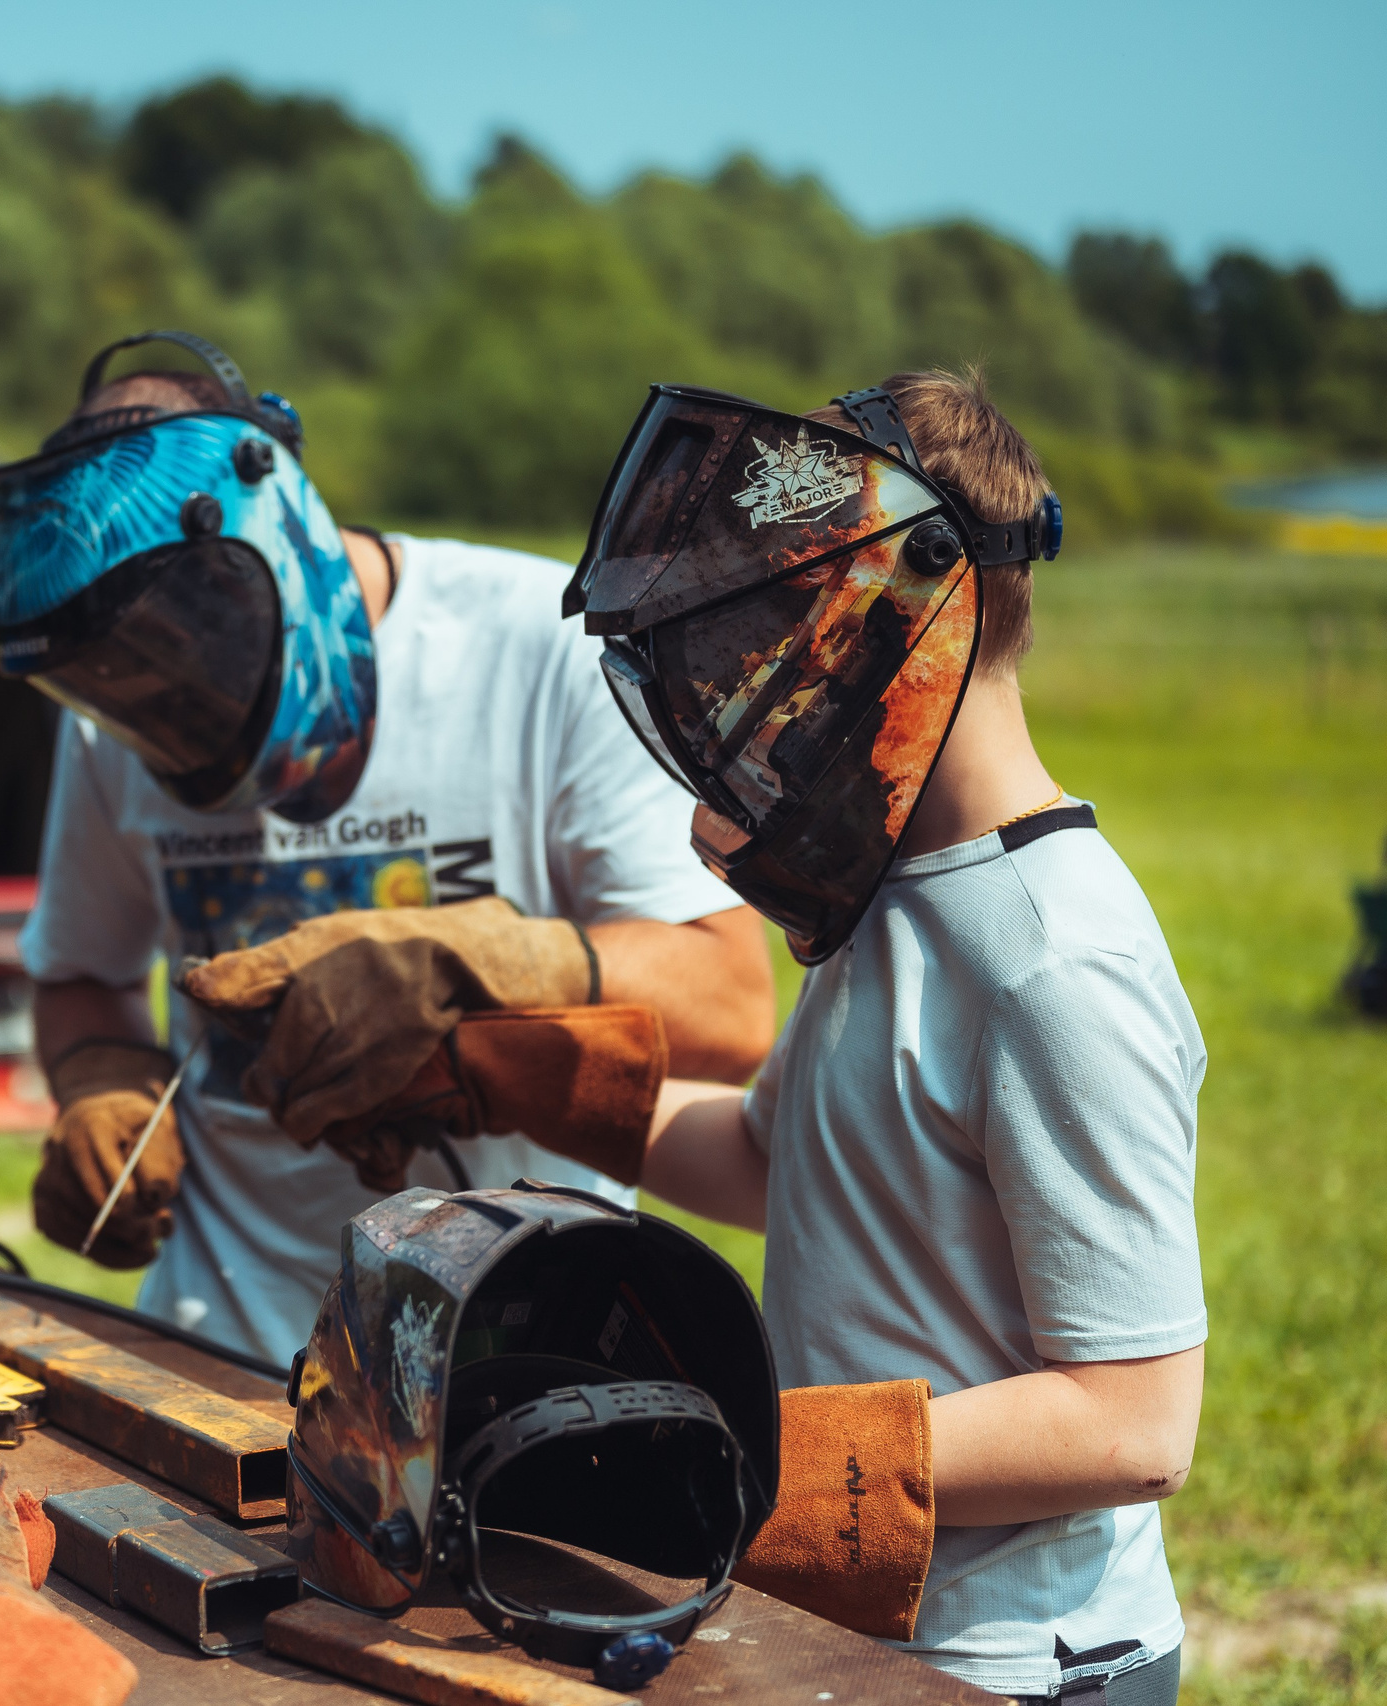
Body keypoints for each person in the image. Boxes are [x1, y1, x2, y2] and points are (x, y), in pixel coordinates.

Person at [343, 371, 1199, 1701]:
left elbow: (1137, 1419)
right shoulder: (879, 898)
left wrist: (744, 1453)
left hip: (1015, 1663)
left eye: (781, 621)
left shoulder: (1052, 955)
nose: (748, 681)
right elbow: (767, 1157)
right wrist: (479, 1067)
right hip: (864, 1637)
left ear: (915, 598)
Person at [0, 331, 774, 1366]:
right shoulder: (110, 726)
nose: (158, 702)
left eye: (183, 655)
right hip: (219, 1349)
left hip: (520, 1353)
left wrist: (472, 964)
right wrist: (101, 1078)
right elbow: (80, 969)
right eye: (121, 684)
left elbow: (728, 1001)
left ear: (278, 520)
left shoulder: (545, 650)